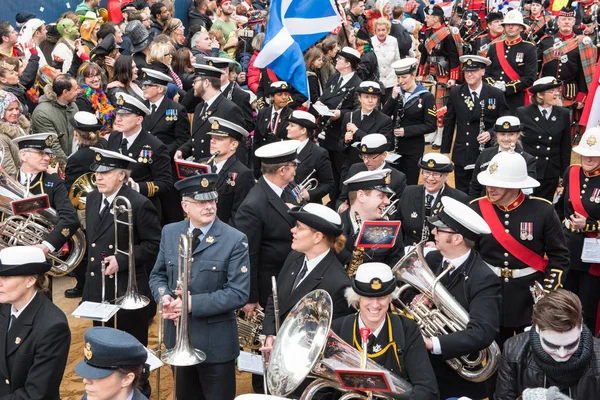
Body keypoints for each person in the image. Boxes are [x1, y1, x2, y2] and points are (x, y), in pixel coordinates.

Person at [149, 173, 250, 400]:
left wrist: (191, 303)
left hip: (216, 345)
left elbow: (238, 293)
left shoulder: (235, 239)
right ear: (185, 205)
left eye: (212, 200)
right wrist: (164, 297)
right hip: (178, 340)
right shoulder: (170, 232)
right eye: (201, 202)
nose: (209, 207)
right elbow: (158, 276)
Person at [471, 150, 570, 347]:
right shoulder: (476, 208)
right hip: (489, 294)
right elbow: (470, 255)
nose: (490, 188)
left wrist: (546, 293)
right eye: (488, 182)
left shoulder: (543, 210)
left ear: (515, 185)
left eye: (497, 184)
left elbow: (559, 257)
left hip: (529, 298)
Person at [418, 196, 501, 398]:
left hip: (457, 380)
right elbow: (410, 290)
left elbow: (481, 332)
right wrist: (419, 297)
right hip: (424, 371)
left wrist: (433, 343)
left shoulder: (483, 279)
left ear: (457, 239)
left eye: (439, 229)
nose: (433, 232)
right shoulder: (433, 258)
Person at [83, 148, 161, 345]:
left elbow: (154, 244)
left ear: (121, 176)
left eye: (105, 173)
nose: (98, 178)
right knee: (102, 347)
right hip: (99, 287)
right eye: (97, 173)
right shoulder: (93, 198)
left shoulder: (138, 203)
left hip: (126, 289)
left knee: (129, 352)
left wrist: (122, 259)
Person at [331, 262, 440, 400]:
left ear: (390, 298)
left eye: (382, 297)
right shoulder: (337, 329)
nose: (375, 305)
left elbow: (428, 389)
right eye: (369, 297)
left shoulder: (407, 328)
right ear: (357, 298)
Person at [261, 203, 351, 351]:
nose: (292, 230)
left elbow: (328, 340)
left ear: (317, 237)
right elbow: (276, 300)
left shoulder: (338, 284)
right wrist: (270, 333)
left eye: (299, 227)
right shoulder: (294, 257)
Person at [496, 289, 600, 399]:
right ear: (537, 328)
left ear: (581, 326)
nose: (562, 354)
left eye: (570, 345)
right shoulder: (513, 351)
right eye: (552, 346)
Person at [0, 246, 71, 398]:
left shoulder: (52, 326)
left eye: (6, 277)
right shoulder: (4, 305)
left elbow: (36, 394)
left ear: (30, 280)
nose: (0, 282)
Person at [441, 55, 510, 193]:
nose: (469, 74)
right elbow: (449, 122)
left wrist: (491, 133)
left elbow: (504, 120)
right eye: (467, 71)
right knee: (463, 192)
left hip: (486, 152)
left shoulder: (495, 94)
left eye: (473, 70)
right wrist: (445, 151)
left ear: (482, 72)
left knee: (486, 191)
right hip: (463, 152)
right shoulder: (456, 92)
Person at [12, 133, 80, 270]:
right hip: (9, 251)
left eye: (48, 154)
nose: (47, 158)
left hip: (40, 255)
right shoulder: (10, 180)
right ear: (23, 155)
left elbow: (70, 219)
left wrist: (46, 246)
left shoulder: (54, 182)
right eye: (40, 153)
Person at [558, 127, 600, 332]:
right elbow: (559, 209)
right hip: (568, 247)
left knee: (587, 307)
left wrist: (590, 225)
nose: (588, 159)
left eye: (594, 155)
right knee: (566, 303)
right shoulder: (571, 172)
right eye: (585, 154)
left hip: (593, 253)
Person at [107, 92, 173, 220]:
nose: (118, 119)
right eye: (118, 114)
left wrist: (137, 186)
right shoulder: (114, 137)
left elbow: (165, 183)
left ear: (139, 119)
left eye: (125, 115)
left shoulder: (155, 146)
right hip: (116, 204)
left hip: (141, 208)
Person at [63, 112, 106, 299]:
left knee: (82, 247)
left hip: (84, 208)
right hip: (104, 204)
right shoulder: (104, 147)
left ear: (76, 133)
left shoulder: (76, 158)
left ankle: (83, 285)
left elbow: (69, 188)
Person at [539, 5, 596, 140]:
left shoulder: (581, 42)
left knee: (566, 132)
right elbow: (537, 68)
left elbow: (585, 72)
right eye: (563, 19)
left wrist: (582, 96)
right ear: (558, 21)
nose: (566, 22)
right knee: (545, 128)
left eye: (569, 20)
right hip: (546, 91)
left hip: (569, 93)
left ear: (573, 22)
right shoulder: (546, 41)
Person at [316, 46, 363, 204]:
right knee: (327, 172)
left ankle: (338, 201)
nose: (337, 60)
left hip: (340, 135)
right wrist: (320, 104)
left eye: (340, 59)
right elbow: (326, 96)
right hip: (326, 132)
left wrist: (340, 114)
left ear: (348, 63)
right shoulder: (335, 78)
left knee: (339, 172)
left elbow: (357, 110)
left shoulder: (357, 84)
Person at [176, 64, 245, 164]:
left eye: (195, 81)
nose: (193, 85)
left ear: (206, 83)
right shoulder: (200, 107)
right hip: (201, 167)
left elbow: (238, 146)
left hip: (218, 170)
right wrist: (182, 150)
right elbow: (197, 139)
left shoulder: (230, 109)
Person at [516, 77, 572, 202]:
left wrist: (564, 174)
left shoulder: (562, 113)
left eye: (557, 90)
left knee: (544, 205)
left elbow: (565, 147)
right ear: (540, 95)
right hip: (530, 169)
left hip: (551, 170)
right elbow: (517, 143)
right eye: (551, 91)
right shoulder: (523, 112)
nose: (557, 93)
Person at [382, 58, 436, 185]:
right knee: (393, 184)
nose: (400, 81)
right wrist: (393, 98)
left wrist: (406, 131)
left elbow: (430, 125)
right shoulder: (396, 93)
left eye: (404, 77)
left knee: (409, 183)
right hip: (394, 148)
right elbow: (383, 117)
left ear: (413, 75)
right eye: (398, 78)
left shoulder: (426, 96)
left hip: (413, 149)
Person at [398, 153, 470, 247]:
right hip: (409, 251)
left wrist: (438, 246)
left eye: (436, 174)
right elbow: (398, 225)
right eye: (426, 172)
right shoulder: (409, 192)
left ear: (445, 176)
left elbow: (463, 236)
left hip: (441, 255)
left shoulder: (459, 199)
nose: (430, 178)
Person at [338, 169, 404, 270]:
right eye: (381, 196)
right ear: (361, 196)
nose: (387, 201)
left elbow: (396, 269)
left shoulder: (390, 230)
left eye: (387, 196)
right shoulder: (333, 227)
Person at [418, 5, 461, 149]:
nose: (426, 19)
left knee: (440, 105)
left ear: (436, 18)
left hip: (444, 73)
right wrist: (420, 74)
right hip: (431, 73)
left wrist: (453, 77)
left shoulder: (447, 34)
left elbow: (454, 57)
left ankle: (441, 134)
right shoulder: (428, 32)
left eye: (428, 17)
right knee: (430, 103)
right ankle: (433, 130)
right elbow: (424, 55)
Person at [337, 134, 407, 216]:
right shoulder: (354, 169)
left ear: (384, 155)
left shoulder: (397, 178)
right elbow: (342, 199)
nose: (366, 161)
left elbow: (400, 210)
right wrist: (340, 207)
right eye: (363, 156)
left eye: (371, 157)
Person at [469, 116, 537, 198]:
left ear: (518, 134)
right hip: (487, 207)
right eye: (502, 134)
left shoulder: (527, 160)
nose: (506, 138)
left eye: (511, 134)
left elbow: (527, 192)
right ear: (496, 134)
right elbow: (475, 187)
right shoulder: (485, 154)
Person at [203, 117, 255, 224]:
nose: (212, 141)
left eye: (219, 138)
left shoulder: (242, 174)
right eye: (212, 137)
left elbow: (240, 216)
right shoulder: (203, 164)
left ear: (233, 145)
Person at [74, 327, 149, 400]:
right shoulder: (92, 396)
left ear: (127, 379)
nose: (85, 381)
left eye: (97, 376)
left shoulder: (96, 395)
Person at [484, 10, 537, 113]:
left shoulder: (529, 48)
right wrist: (494, 85)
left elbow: (529, 77)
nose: (510, 27)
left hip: (515, 98)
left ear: (521, 28)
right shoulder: (494, 47)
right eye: (507, 24)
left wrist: (506, 87)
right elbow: (485, 73)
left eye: (514, 25)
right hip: (493, 97)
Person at [340, 81, 393, 182]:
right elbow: (340, 146)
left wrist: (357, 131)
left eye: (373, 97)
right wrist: (345, 141)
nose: (370, 101)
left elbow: (385, 145)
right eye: (366, 97)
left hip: (372, 168)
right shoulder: (349, 117)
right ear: (359, 98)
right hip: (351, 166)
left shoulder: (384, 120)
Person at [287, 110, 335, 205]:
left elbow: (329, 183)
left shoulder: (319, 153)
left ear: (303, 130)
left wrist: (309, 194)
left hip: (307, 206)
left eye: (292, 125)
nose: (287, 128)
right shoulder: (285, 148)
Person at [30, 73, 79, 159]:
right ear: (65, 92)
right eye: (75, 89)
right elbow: (52, 145)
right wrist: (68, 165)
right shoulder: (42, 113)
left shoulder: (73, 106)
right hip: (52, 163)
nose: (78, 91)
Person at [203, 56, 255, 133]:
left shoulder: (240, 95)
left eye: (216, 73)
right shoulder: (205, 92)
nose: (212, 76)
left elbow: (249, 125)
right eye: (210, 73)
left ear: (226, 72)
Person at [252, 81, 293, 175]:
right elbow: (257, 140)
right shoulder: (263, 113)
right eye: (280, 94)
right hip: (264, 160)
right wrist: (256, 167)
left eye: (286, 94)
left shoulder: (292, 115)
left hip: (282, 163)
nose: (284, 97)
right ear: (272, 97)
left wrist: (280, 141)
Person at [75, 62, 114, 136]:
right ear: (83, 79)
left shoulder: (100, 94)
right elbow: (86, 130)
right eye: (90, 76)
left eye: (97, 75)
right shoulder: (81, 100)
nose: (96, 79)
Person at [372, 18, 401, 101]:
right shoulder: (371, 42)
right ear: (375, 31)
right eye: (378, 30)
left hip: (391, 80)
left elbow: (397, 61)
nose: (381, 33)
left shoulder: (393, 41)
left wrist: (399, 79)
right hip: (377, 81)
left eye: (383, 30)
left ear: (387, 30)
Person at [0, 90, 26, 175]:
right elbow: (9, 170)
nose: (15, 112)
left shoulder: (21, 126)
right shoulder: (1, 137)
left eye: (17, 108)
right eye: (10, 109)